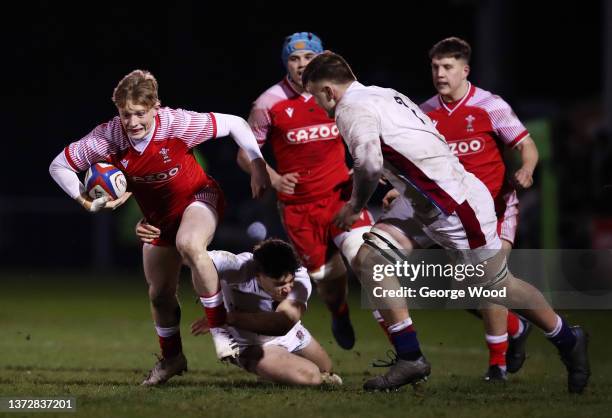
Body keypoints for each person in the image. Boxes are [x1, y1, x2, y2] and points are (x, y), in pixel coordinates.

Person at [302, 52, 590, 393]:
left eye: (316, 96)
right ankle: (411, 357)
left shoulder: (350, 108)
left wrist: (354, 206)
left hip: (456, 206)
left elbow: (368, 162)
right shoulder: (382, 92)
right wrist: (401, 185)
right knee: (370, 260)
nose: (318, 105)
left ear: (329, 92)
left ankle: (567, 338)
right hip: (423, 201)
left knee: (497, 288)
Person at [49, 69, 271, 386]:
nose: (133, 122)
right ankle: (172, 359)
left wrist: (258, 165)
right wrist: (86, 201)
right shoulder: (107, 137)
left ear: (156, 107)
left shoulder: (178, 123)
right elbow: (59, 165)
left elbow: (235, 123)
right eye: (126, 114)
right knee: (160, 296)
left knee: (190, 244)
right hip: (158, 217)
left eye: (140, 113)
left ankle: (222, 332)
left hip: (200, 198)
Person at [382, 36, 535, 381]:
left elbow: (526, 145)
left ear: (464, 70)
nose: (440, 73)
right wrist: (397, 188)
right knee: (466, 291)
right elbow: (416, 161)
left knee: (489, 283)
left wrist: (526, 168)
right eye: (435, 66)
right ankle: (516, 327)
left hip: (495, 208)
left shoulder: (489, 105)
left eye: (447, 66)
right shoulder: (423, 113)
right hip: (455, 212)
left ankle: (498, 364)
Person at [236, 32, 374, 350]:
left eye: (308, 58)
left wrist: (366, 163)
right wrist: (272, 177)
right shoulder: (268, 102)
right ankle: (339, 313)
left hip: (342, 197)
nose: (301, 65)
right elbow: (245, 153)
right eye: (294, 59)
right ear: (286, 63)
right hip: (300, 209)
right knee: (330, 281)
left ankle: (406, 348)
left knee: (368, 262)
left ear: (320, 58)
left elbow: (370, 127)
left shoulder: (337, 92)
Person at [188, 239, 343, 386]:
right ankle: (268, 368)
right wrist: (213, 309)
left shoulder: (301, 277)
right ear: (258, 275)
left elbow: (282, 324)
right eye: (280, 284)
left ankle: (274, 374)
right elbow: (197, 260)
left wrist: (225, 318)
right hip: (253, 345)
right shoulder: (237, 266)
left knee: (327, 371)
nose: (288, 288)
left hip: (288, 333)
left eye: (290, 281)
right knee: (311, 377)